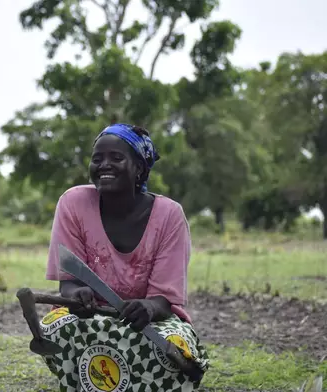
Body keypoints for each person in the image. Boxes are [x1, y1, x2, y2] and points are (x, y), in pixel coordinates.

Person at [36, 123, 209, 392]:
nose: (104, 164)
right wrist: (77, 296)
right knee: (55, 326)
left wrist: (148, 308)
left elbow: (164, 301)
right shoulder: (73, 204)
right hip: (92, 319)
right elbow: (68, 284)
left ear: (139, 168)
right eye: (97, 159)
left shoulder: (169, 216)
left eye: (116, 158)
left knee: (172, 344)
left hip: (153, 320)